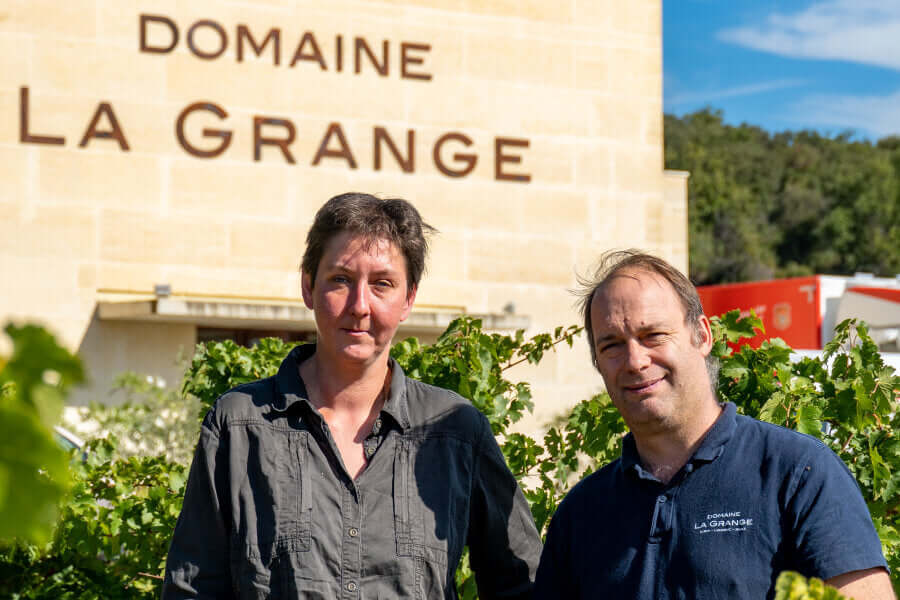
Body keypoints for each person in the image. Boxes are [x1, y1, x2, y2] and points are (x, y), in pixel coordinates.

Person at [162, 193, 542, 599]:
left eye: (382, 284)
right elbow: (193, 588)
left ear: (408, 299)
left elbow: (522, 584)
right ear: (308, 287)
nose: (360, 306)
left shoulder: (455, 432)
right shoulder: (240, 426)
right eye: (341, 279)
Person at [534, 250, 894, 600]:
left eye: (653, 336)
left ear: (702, 336)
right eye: (611, 344)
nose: (635, 360)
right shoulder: (581, 514)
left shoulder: (798, 475)